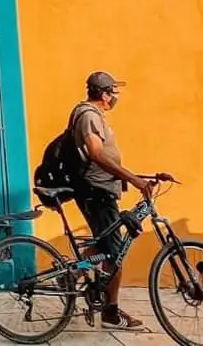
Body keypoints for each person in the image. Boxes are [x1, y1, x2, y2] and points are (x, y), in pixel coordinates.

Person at [71, 71, 155, 331]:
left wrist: (136, 176)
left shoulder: (94, 116)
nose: (116, 96)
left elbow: (106, 157)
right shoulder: (88, 115)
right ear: (104, 94)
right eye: (113, 92)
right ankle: (110, 311)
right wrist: (133, 179)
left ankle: (72, 273)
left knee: (105, 246)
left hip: (101, 190)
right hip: (95, 192)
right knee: (115, 254)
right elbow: (96, 154)